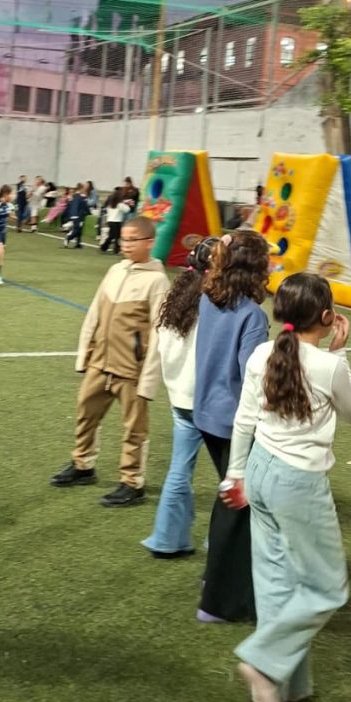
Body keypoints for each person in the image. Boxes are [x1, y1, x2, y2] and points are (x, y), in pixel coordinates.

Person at [223, 273, 351, 702]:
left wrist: (235, 474)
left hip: (259, 469)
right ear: (326, 317)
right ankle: (264, 663)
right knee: (327, 587)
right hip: (298, 482)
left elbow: (244, 419)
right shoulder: (328, 365)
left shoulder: (262, 353)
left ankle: (286, 687)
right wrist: (339, 352)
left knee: (275, 580)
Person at [50, 216, 169, 507]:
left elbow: (159, 333)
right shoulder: (115, 270)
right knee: (85, 412)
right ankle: (83, 465)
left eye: (132, 240)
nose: (125, 244)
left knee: (134, 427)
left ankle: (132, 482)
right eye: (124, 239)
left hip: (131, 370)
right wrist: (85, 354)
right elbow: (95, 313)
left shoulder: (158, 281)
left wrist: (148, 379)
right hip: (100, 362)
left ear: (149, 243)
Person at [192, 230, 271, 623]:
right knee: (238, 505)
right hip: (234, 421)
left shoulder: (210, 297)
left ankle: (218, 579)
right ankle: (219, 603)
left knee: (231, 497)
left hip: (206, 414)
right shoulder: (252, 315)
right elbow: (252, 377)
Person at [141, 237, 219, 557]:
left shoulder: (176, 299)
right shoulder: (216, 305)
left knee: (179, 470)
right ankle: (223, 544)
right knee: (234, 476)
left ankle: (167, 539)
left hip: (180, 400)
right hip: (211, 402)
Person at [100, 188, 130, 254]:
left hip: (110, 221)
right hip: (117, 221)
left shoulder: (111, 204)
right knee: (117, 237)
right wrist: (126, 204)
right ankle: (116, 250)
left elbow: (107, 211)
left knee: (111, 236)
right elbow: (127, 210)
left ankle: (104, 247)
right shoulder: (120, 204)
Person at [63, 183, 91, 248]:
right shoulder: (80, 197)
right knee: (77, 229)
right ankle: (68, 238)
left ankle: (78, 243)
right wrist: (89, 213)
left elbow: (69, 206)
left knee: (79, 230)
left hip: (74, 215)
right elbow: (85, 207)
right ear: (81, 188)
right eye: (84, 188)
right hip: (78, 216)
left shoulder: (74, 196)